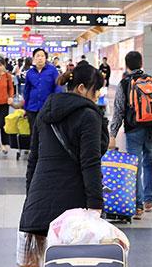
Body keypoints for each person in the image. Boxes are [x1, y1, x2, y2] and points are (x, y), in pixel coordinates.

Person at [19, 63, 109, 248]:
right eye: (96, 90)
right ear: (81, 88)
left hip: (39, 203)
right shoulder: (88, 116)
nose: (97, 95)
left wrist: (31, 197)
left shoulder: (45, 112)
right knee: (74, 262)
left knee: (48, 263)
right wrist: (95, 204)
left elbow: (33, 159)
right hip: (73, 205)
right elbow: (90, 163)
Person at [109, 51, 152, 218]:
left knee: (134, 166)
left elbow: (119, 111)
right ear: (141, 63)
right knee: (149, 163)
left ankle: (138, 205)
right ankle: (149, 200)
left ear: (127, 65)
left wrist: (112, 134)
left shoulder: (124, 83)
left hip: (133, 129)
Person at [23, 48, 59, 133]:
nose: (40, 58)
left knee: (46, 133)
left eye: (42, 56)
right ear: (34, 58)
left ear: (45, 58)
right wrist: (25, 107)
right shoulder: (30, 72)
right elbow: (26, 90)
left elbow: (58, 87)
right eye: (38, 56)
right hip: (32, 107)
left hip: (47, 107)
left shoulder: (52, 71)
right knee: (33, 132)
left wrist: (55, 104)